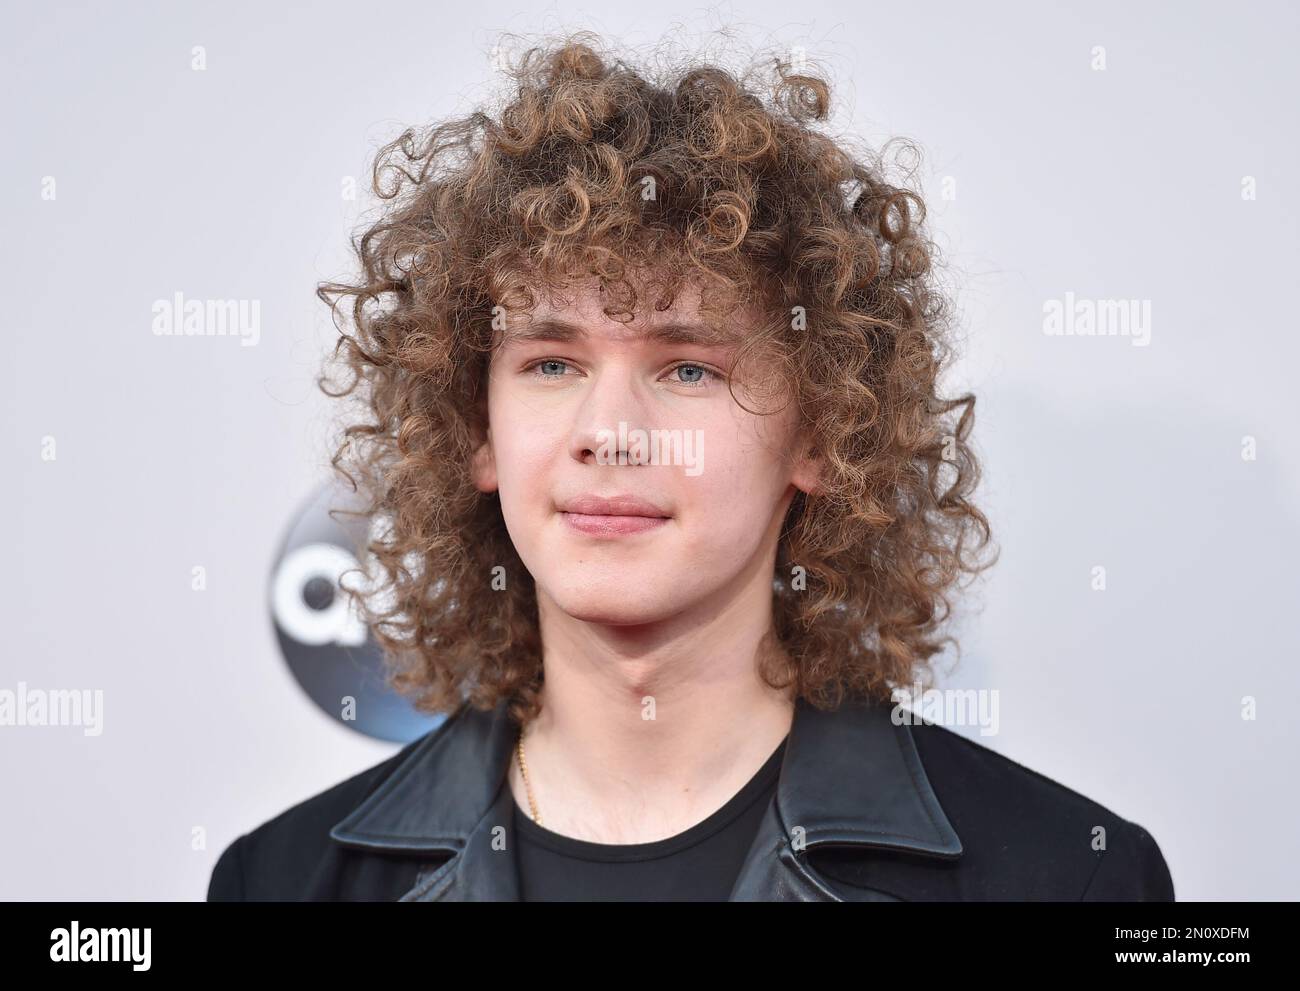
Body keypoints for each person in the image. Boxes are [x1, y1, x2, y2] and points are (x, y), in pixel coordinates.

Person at [207, 32, 1173, 902]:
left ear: (820, 435)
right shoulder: (285, 883)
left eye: (688, 367)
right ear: (476, 428)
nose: (611, 431)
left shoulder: (1065, 878)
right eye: (552, 363)